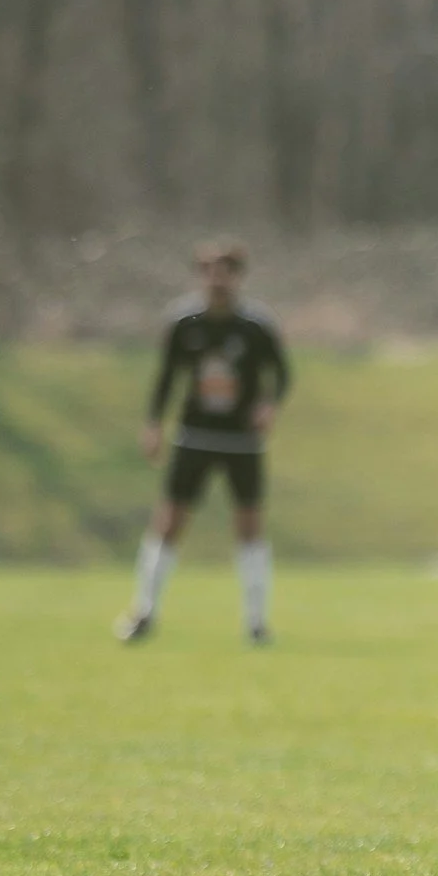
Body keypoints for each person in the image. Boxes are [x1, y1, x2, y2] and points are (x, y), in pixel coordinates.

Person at [118, 241, 290, 646]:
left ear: (237, 276)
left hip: (242, 442)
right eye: (210, 270)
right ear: (201, 275)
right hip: (194, 437)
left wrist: (269, 405)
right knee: (170, 521)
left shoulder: (256, 327)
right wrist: (154, 423)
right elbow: (167, 377)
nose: (217, 279)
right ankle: (144, 610)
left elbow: (281, 374)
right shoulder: (184, 323)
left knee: (249, 526)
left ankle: (256, 622)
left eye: (225, 271)